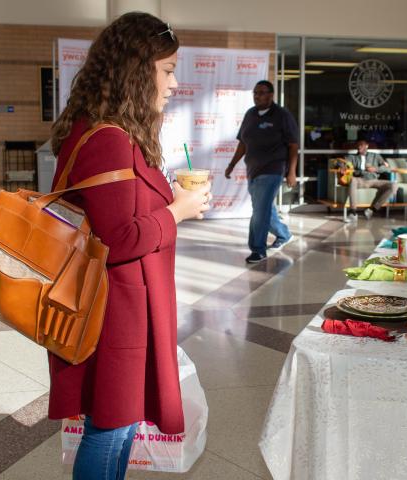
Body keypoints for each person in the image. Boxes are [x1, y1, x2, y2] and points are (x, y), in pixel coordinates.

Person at [48, 13, 210, 480]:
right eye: (167, 69)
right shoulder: (110, 139)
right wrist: (177, 211)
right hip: (115, 312)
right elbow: (119, 239)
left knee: (118, 427)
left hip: (120, 307)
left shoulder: (108, 130)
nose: (175, 82)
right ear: (136, 71)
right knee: (112, 428)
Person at [225, 80, 298, 263]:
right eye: (255, 93)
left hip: (273, 169)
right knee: (264, 209)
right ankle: (284, 234)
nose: (257, 96)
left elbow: (293, 145)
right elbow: (243, 142)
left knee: (260, 210)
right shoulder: (250, 114)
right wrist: (232, 164)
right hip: (253, 170)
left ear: (271, 95)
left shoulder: (281, 115)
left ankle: (258, 249)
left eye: (262, 92)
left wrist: (292, 172)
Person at [344, 139, 398, 223]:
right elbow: (343, 162)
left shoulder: (375, 156)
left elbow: (386, 167)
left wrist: (375, 169)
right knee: (353, 180)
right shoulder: (352, 157)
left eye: (361, 145)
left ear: (367, 146)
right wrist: (342, 166)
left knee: (393, 185)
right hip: (361, 180)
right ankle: (353, 213)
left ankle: (371, 210)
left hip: (374, 180)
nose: (359, 147)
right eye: (358, 145)